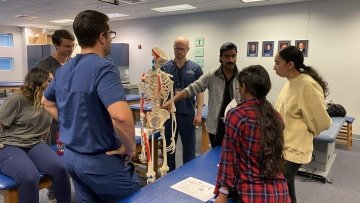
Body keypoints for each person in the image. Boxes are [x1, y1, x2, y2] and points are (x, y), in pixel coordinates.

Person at [41, 10, 139, 202]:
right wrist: (130, 148)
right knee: (136, 197)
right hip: (100, 162)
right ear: (102, 37)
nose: (110, 39)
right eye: (109, 34)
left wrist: (70, 123)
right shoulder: (104, 68)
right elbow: (121, 117)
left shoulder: (63, 69)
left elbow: (46, 102)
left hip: (71, 159)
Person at [214, 65, 290, 203]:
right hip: (281, 193)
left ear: (243, 87)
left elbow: (229, 157)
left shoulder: (237, 115)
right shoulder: (277, 116)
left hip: (251, 194)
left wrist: (223, 192)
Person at [0, 68, 71, 203]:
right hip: (9, 144)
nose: (53, 83)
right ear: (38, 82)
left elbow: (45, 129)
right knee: (29, 176)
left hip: (35, 144)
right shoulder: (17, 99)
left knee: (60, 168)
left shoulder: (49, 102)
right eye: (49, 80)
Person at [274, 46, 331, 203]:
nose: (274, 67)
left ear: (290, 64)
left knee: (277, 188)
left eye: (277, 63)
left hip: (294, 150)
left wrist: (303, 131)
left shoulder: (307, 85)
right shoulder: (290, 82)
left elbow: (322, 121)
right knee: (287, 188)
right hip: (283, 146)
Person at [163, 42, 240, 147]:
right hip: (216, 127)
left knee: (235, 158)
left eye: (233, 56)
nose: (230, 60)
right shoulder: (211, 75)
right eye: (226, 56)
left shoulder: (243, 77)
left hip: (237, 127)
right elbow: (192, 89)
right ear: (220, 58)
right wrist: (172, 100)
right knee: (215, 158)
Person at [35, 28, 76, 202]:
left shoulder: (71, 63)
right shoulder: (44, 66)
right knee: (54, 153)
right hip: (50, 118)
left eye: (73, 46)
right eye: (66, 46)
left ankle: (66, 185)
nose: (70, 49)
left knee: (69, 153)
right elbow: (37, 94)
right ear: (56, 45)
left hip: (68, 115)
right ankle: (53, 190)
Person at [161, 36, 204, 172]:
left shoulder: (195, 68)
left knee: (189, 149)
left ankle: (188, 175)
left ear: (188, 49)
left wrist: (198, 114)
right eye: (176, 48)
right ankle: (169, 175)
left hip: (187, 114)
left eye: (182, 49)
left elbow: (200, 92)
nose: (179, 51)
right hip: (168, 115)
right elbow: (159, 90)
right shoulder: (165, 67)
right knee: (169, 148)